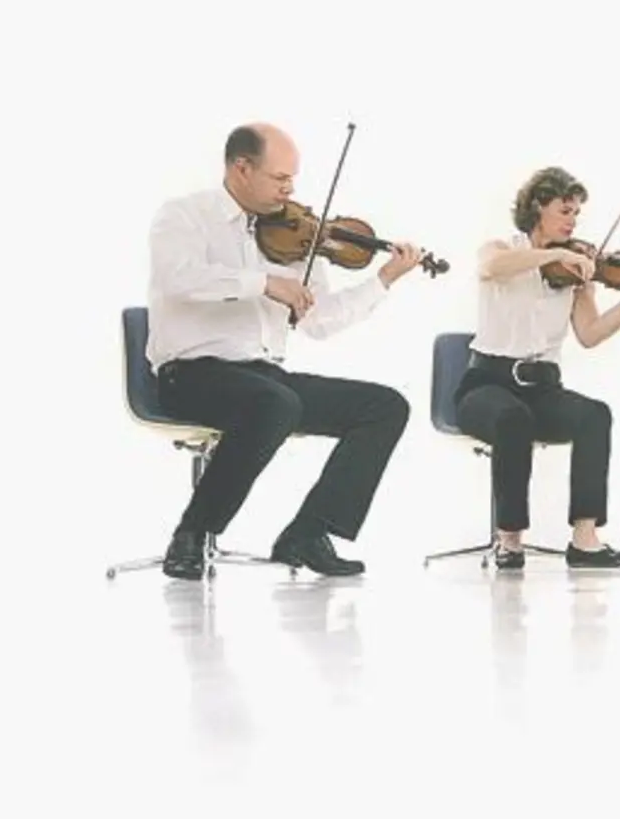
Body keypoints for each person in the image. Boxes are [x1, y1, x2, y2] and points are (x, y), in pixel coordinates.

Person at [146, 122, 425, 580]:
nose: (290, 190)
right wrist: (264, 283)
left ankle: (308, 533)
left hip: (265, 379)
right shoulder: (183, 216)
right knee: (276, 403)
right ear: (241, 169)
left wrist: (383, 280)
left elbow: (320, 321)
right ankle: (192, 532)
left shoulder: (294, 238)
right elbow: (180, 279)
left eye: (292, 178)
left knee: (384, 406)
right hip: (190, 374)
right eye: (279, 178)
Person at [455, 166, 620, 570]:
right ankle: (509, 539)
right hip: (485, 386)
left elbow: (590, 333)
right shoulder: (502, 249)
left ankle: (585, 539)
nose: (573, 222)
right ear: (538, 207)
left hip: (543, 390)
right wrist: (556, 254)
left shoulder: (576, 273)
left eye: (576, 213)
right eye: (565, 211)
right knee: (512, 418)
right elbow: (490, 268)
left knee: (594, 415)